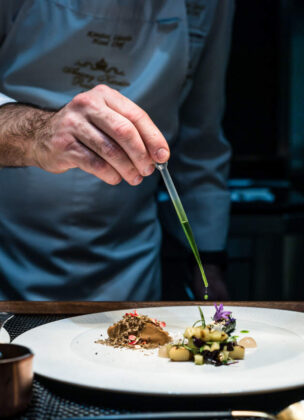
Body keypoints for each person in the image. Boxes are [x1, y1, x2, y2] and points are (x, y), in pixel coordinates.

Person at [0, 0, 233, 300]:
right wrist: (38, 133)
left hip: (128, 261)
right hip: (7, 249)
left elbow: (201, 136)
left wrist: (209, 262)